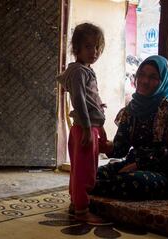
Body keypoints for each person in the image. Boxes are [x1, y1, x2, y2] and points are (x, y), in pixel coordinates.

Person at [91, 55, 168, 200]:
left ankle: (94, 187)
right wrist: (101, 145)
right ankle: (96, 185)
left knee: (133, 182)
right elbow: (121, 148)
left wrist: (137, 165)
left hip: (165, 172)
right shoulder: (131, 109)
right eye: (142, 75)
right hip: (132, 165)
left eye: (153, 77)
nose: (144, 81)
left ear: (163, 81)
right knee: (92, 174)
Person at [57, 23, 109, 223]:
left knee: (82, 169)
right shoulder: (79, 72)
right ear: (76, 48)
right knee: (85, 172)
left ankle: (75, 203)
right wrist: (88, 128)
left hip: (89, 128)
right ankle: (82, 210)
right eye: (88, 46)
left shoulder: (86, 70)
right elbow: (78, 101)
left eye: (97, 47)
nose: (94, 52)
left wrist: (100, 127)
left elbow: (91, 101)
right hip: (83, 129)